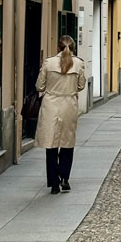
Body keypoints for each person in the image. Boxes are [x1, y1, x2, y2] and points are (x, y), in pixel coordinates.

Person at [35, 35, 86, 194]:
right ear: (73, 48)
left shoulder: (48, 63)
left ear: (58, 47)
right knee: (67, 142)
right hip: (69, 105)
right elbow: (81, 85)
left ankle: (53, 182)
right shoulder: (78, 63)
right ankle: (64, 177)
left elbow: (39, 86)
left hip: (51, 105)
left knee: (51, 144)